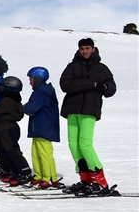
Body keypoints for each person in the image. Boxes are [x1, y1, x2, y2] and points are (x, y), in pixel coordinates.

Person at [60, 38, 117, 195]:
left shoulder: (102, 68)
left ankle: (100, 181)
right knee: (74, 145)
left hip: (90, 110)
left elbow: (111, 90)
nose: (84, 51)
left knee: (85, 144)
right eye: (82, 49)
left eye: (87, 48)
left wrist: (104, 86)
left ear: (93, 49)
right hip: (72, 110)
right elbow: (65, 85)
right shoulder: (72, 66)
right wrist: (92, 84)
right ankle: (86, 180)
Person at [0, 76, 33, 186]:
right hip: (10, 126)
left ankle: (24, 172)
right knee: (6, 150)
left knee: (11, 150)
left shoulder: (6, 100)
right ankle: (15, 171)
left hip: (6, 126)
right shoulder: (16, 99)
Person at [24, 66, 61, 188]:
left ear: (38, 79)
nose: (30, 82)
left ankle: (49, 177)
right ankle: (39, 175)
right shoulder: (41, 91)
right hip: (39, 127)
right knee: (36, 152)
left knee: (45, 153)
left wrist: (22, 107)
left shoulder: (41, 92)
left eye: (31, 79)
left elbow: (32, 108)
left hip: (44, 127)